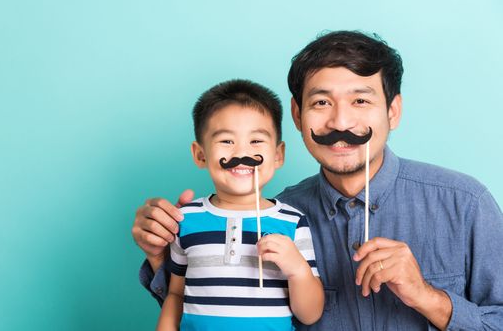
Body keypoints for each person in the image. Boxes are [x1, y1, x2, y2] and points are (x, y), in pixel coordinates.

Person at [133, 31, 503, 330]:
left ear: (393, 111)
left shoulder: (465, 204)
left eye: (360, 101)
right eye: (321, 103)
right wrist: (159, 256)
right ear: (297, 115)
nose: (340, 123)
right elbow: (213, 307)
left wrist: (426, 296)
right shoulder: (275, 218)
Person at [155, 79, 324, 331]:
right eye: (226, 141)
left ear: (278, 155)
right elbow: (176, 295)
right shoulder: (185, 219)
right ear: (200, 154)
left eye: (256, 141)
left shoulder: (292, 221)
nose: (241, 153)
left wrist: (297, 270)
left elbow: (310, 315)